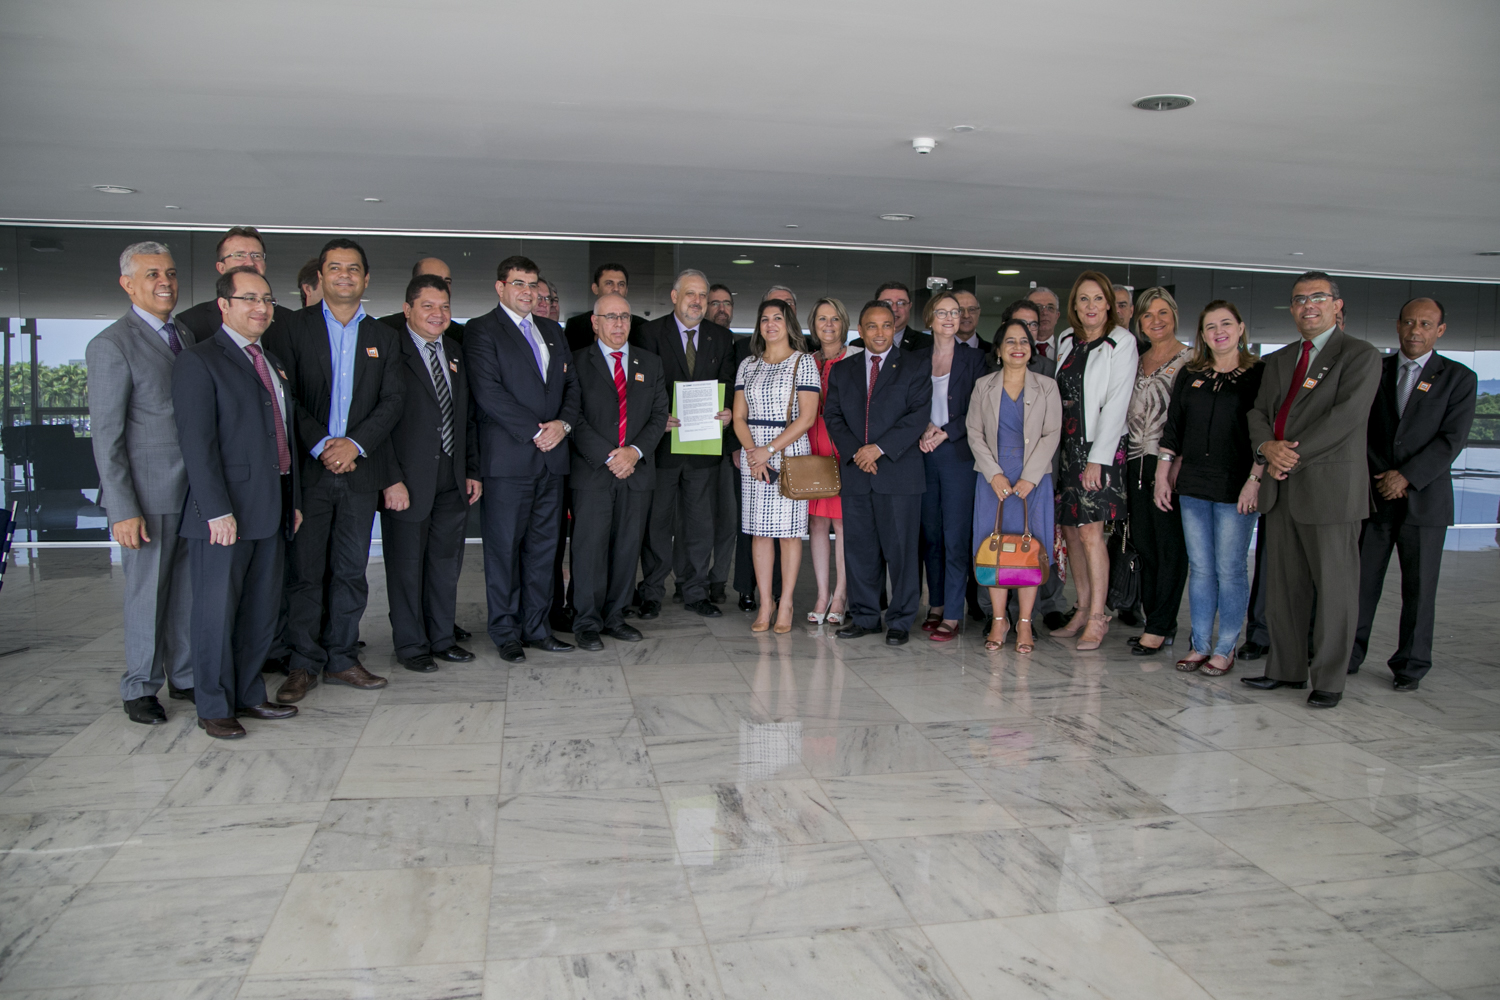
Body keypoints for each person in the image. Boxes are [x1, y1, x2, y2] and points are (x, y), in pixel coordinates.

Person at [172, 267, 301, 738]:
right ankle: (213, 704)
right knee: (215, 614)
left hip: (272, 507)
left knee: (260, 612)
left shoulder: (272, 362)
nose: (261, 307)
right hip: (224, 516)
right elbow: (196, 444)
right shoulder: (199, 361)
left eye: (266, 299)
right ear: (224, 305)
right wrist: (215, 510)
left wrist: (295, 499)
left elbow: (282, 436)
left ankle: (249, 694)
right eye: (249, 298)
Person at [1243, 271, 1381, 709]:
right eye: (1299, 299)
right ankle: (1285, 670)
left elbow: (1346, 420)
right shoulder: (1281, 359)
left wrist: (1288, 455)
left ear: (1337, 305)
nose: (1307, 306)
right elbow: (1258, 414)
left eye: (1317, 297)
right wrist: (1267, 447)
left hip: (1328, 489)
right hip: (1280, 488)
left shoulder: (1359, 355)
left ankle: (1329, 679)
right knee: (1284, 588)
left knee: (1336, 591)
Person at [275, 239, 403, 703]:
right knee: (306, 572)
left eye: (354, 269)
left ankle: (342, 659)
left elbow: (393, 402)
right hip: (310, 472)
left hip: (360, 472)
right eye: (336, 268)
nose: (345, 275)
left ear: (366, 279)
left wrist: (355, 444)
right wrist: (323, 444)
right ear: (321, 278)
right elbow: (284, 396)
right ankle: (303, 664)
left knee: (351, 571)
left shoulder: (384, 337)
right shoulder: (291, 329)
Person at [87, 241, 198, 725]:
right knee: (147, 594)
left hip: (195, 493)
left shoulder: (186, 335)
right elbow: (106, 437)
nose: (165, 282)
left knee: (187, 593)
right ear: (128, 284)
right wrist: (121, 508)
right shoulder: (112, 344)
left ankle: (187, 676)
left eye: (171, 273)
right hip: (147, 497)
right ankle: (139, 687)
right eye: (152, 273)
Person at [1349, 297, 1477, 691]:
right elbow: (1360, 428)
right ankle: (1348, 655)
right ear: (1398, 326)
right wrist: (1384, 475)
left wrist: (1405, 476)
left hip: (1425, 501)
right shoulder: (1377, 371)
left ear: (1440, 330)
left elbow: (1450, 441)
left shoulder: (1458, 377)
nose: (1415, 330)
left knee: (1419, 591)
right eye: (1409, 322)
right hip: (1375, 497)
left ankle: (1410, 666)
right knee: (1360, 584)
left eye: (1425, 324)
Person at [467, 255, 580, 662]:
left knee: (544, 550)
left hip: (552, 461)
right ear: (501, 288)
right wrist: (538, 430)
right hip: (510, 462)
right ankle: (505, 631)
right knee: (503, 551)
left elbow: (572, 388)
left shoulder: (552, 330)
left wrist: (563, 426)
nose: (528, 292)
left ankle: (537, 628)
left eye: (533, 285)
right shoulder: (481, 330)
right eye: (519, 284)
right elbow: (489, 394)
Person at [1154, 301, 1266, 675]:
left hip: (1237, 486)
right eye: (1210, 326)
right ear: (1201, 335)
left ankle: (1225, 648)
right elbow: (1174, 427)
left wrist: (1255, 480)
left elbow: (1266, 434)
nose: (1219, 331)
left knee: (1230, 569)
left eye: (1226, 324)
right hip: (1193, 484)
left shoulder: (1259, 375)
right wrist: (1162, 473)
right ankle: (1200, 644)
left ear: (1240, 328)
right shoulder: (1190, 373)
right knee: (1201, 568)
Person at [379, 274, 482, 673]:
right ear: (408, 310)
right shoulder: (391, 349)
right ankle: (411, 645)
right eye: (428, 306)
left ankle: (441, 638)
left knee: (443, 565)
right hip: (406, 481)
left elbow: (467, 417)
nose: (438, 314)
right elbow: (380, 421)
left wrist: (472, 469)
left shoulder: (455, 352)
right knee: (406, 568)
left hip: (452, 480)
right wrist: (390, 479)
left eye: (444, 307)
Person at [825, 301, 933, 645]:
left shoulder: (915, 365)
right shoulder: (844, 370)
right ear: (860, 329)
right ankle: (866, 616)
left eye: (887, 325)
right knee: (859, 550)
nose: (880, 333)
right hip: (858, 474)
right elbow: (833, 417)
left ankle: (900, 620)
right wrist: (859, 453)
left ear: (894, 327)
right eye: (872, 326)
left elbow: (916, 416)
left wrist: (879, 449)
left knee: (901, 552)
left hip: (899, 474)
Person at [631, 269, 736, 619]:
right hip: (661, 446)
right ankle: (652, 591)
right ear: (674, 297)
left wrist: (727, 411)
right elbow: (640, 387)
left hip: (703, 446)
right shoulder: (648, 333)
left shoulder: (721, 337)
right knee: (657, 523)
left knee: (699, 524)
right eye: (691, 294)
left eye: (703, 296)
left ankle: (694, 590)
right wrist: (657, 416)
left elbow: (728, 382)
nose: (698, 301)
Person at [569, 293, 670, 650]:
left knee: (628, 548)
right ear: (595, 322)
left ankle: (615, 617)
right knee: (589, 550)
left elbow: (660, 416)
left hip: (637, 471)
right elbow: (573, 417)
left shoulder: (651, 363)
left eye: (625, 317)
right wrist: (610, 455)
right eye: (610, 317)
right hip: (594, 472)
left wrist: (634, 452)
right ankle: (586, 621)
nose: (618, 324)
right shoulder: (576, 363)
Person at [1052, 271, 1136, 650]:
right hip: (1065, 448)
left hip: (1097, 451)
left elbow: (1117, 404)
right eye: (1083, 299)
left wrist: (1097, 460)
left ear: (1109, 304)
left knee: (1090, 533)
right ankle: (1082, 607)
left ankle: (1099, 616)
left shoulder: (1122, 342)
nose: (1090, 306)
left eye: (1097, 299)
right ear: (1075, 306)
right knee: (1070, 531)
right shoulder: (1066, 340)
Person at [967, 318, 1060, 653]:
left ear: (1031, 349)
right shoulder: (984, 386)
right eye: (1010, 341)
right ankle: (998, 620)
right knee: (994, 548)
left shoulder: (1047, 386)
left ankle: (1024, 623)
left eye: (1024, 341)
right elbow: (974, 433)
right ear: (999, 349)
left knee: (1029, 550)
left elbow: (1052, 434)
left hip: (1033, 479)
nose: (1017, 347)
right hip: (992, 479)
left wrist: (1029, 477)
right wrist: (994, 473)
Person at [731, 299, 821, 633]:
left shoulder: (804, 363)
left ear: (789, 324)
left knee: (788, 534)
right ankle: (765, 603)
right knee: (759, 533)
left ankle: (786, 603)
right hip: (755, 454)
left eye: (777, 318)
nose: (770, 324)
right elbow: (739, 416)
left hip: (789, 451)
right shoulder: (747, 365)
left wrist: (769, 450)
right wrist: (753, 452)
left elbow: (807, 417)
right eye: (764, 318)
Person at [1122, 288, 1193, 655]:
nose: (1156, 321)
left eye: (1163, 313)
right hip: (1135, 461)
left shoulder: (1192, 360)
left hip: (1170, 464)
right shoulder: (1135, 358)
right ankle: (1157, 620)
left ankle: (1161, 624)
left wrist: (1173, 465)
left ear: (1175, 315)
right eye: (1148, 315)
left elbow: (1191, 420)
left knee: (1170, 548)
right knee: (1145, 546)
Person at [912, 293, 986, 640]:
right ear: (929, 318)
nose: (949, 318)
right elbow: (906, 404)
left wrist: (945, 432)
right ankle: (937, 603)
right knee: (930, 536)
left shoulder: (976, 360)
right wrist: (924, 429)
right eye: (941, 312)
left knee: (955, 536)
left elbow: (980, 410)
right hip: (922, 454)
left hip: (958, 455)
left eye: (954, 313)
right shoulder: (915, 358)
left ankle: (954, 613)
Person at [804, 297, 862, 624]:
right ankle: (822, 594)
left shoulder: (856, 358)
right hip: (812, 446)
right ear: (814, 325)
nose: (828, 325)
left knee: (842, 523)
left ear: (844, 323)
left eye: (835, 319)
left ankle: (841, 594)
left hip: (842, 445)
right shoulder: (804, 361)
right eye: (822, 319)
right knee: (817, 523)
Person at [175, 227, 299, 344]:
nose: (250, 263)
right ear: (221, 267)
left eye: (256, 256)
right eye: (239, 255)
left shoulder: (289, 320)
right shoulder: (190, 321)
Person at [706, 282, 738, 605]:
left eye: (726, 303)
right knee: (695, 519)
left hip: (728, 446)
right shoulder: (694, 341)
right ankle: (692, 577)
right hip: (694, 443)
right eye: (714, 303)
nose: (721, 309)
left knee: (728, 519)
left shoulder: (739, 346)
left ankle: (718, 580)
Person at [379, 258, 466, 343]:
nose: (441, 287)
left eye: (447, 282)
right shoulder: (385, 329)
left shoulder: (461, 335)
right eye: (432, 280)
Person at [564, 263, 645, 350]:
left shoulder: (642, 327)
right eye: (609, 283)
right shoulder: (576, 326)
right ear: (595, 288)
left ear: (626, 290)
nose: (616, 289)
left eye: (621, 284)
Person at [852, 282, 931, 352]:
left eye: (901, 303)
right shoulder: (858, 346)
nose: (894, 309)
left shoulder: (928, 344)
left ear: (909, 306)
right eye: (887, 303)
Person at [1026, 286, 1062, 362]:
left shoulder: (1067, 349)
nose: (1045, 312)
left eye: (1050, 308)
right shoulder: (1016, 349)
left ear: (1057, 316)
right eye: (1038, 307)